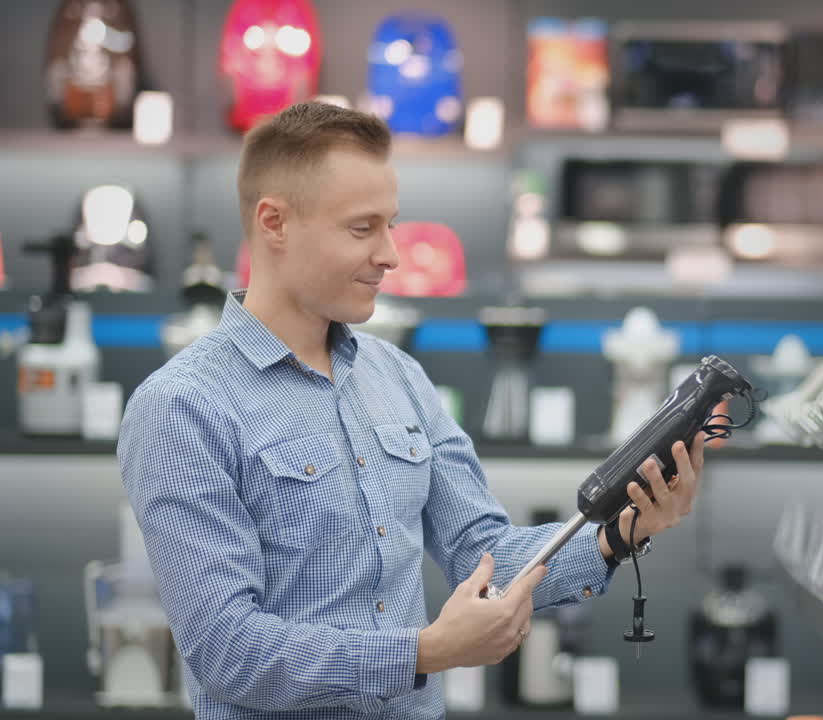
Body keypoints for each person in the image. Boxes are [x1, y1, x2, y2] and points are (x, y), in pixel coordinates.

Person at [117, 102, 709, 720]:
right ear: (275, 223)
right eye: (362, 228)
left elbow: (485, 554)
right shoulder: (181, 407)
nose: (391, 254)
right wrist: (423, 653)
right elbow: (228, 652)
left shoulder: (398, 375)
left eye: (390, 225)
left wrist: (617, 534)